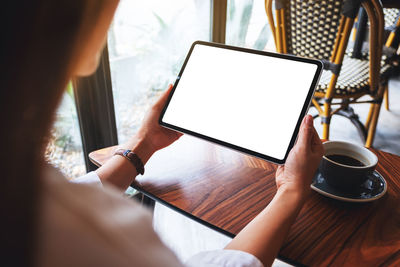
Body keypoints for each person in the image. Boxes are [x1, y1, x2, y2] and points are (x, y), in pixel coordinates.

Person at [0, 0, 323, 266]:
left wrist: (143, 145)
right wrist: (291, 189)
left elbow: (67, 198)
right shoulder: (83, 238)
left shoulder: (24, 191)